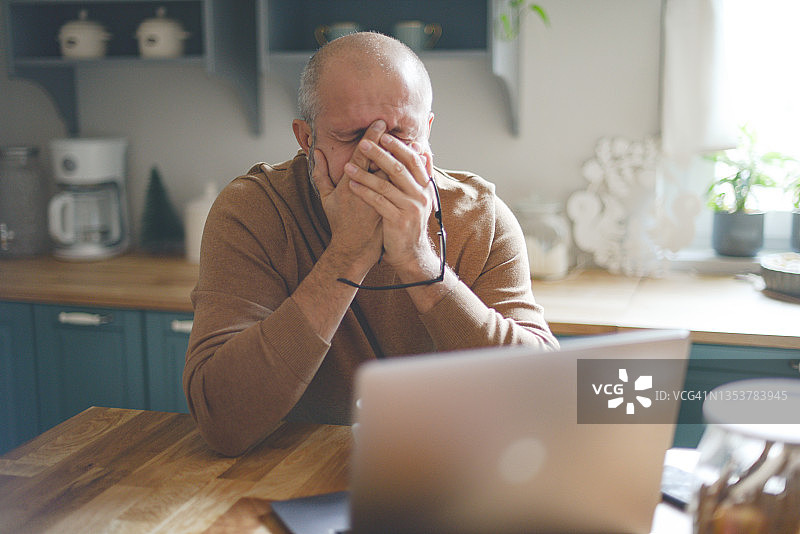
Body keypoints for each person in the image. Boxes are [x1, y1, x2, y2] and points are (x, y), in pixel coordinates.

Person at [184, 32, 558, 456]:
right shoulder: (254, 210)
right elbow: (222, 423)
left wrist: (419, 261)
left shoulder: (479, 218)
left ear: (429, 129)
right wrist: (345, 257)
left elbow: (541, 396)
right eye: (351, 136)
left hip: (452, 469)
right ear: (306, 139)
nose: (379, 156)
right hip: (288, 472)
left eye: (402, 133)